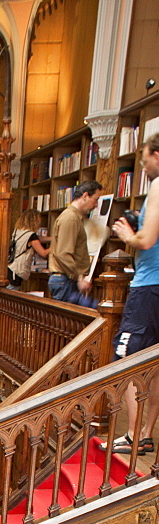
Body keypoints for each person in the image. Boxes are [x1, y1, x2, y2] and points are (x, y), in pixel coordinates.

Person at [104, 134, 159, 455]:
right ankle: (146, 434)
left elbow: (147, 240)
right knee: (152, 366)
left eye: (146, 158)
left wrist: (128, 233)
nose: (143, 164)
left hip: (147, 287)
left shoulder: (157, 186)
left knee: (127, 364)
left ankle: (135, 435)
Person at [48, 180, 103, 306]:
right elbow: (63, 253)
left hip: (67, 279)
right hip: (66, 280)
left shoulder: (75, 218)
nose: (96, 205)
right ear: (85, 196)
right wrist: (79, 278)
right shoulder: (70, 218)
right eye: (95, 200)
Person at [7, 209, 50, 287]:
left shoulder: (18, 231)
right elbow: (43, 253)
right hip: (18, 271)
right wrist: (56, 246)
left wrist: (52, 238)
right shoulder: (31, 235)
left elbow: (37, 238)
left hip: (11, 267)